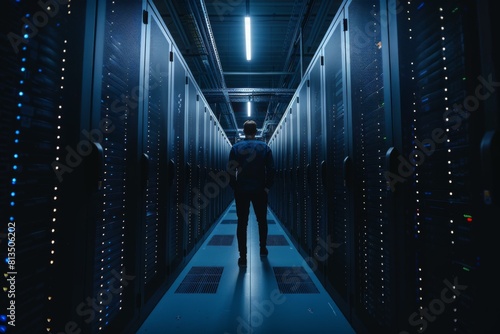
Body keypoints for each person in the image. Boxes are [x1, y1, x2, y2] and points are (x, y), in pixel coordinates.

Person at [229, 120, 275, 267]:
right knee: (262, 221)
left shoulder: (236, 148)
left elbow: (230, 171)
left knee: (242, 223)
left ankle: (243, 257)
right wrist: (267, 187)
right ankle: (263, 249)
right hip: (260, 191)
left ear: (243, 131)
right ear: (256, 132)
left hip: (242, 191)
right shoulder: (265, 148)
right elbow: (272, 170)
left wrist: (235, 187)